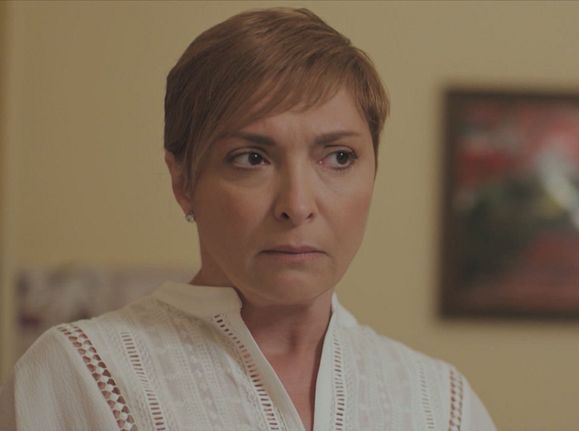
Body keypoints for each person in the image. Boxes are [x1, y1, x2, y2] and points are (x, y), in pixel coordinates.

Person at [0, 8, 496, 430]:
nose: (297, 204)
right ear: (183, 182)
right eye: (251, 158)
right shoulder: (79, 376)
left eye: (339, 157)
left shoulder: (440, 403)